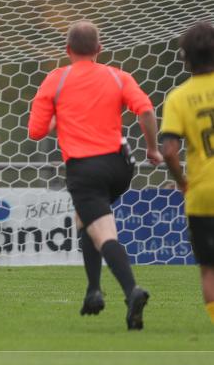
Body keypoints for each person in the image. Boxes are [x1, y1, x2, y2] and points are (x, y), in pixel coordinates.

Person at [28, 21, 161, 330]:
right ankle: (93, 291)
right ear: (99, 50)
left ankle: (132, 292)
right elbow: (145, 110)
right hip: (121, 165)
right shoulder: (118, 76)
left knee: (102, 232)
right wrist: (152, 149)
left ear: (67, 50)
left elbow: (35, 132)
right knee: (85, 219)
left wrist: (60, 116)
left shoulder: (56, 81)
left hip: (86, 168)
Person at [159, 21, 214, 326]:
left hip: (203, 193)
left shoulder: (179, 98)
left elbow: (168, 150)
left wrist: (182, 182)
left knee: (209, 268)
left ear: (185, 57)